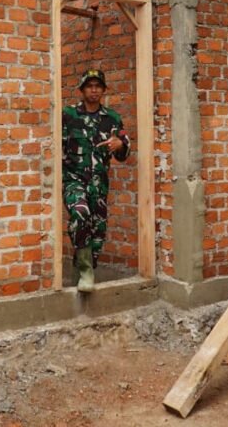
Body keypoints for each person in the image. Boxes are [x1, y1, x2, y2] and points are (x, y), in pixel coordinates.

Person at [62, 69, 131, 292]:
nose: (94, 89)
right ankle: (85, 271)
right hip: (73, 179)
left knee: (97, 233)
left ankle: (81, 271)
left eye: (98, 86)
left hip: (99, 185)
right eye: (89, 85)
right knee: (80, 213)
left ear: (103, 90)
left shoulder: (112, 119)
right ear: (82, 90)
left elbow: (123, 152)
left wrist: (120, 145)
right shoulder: (68, 115)